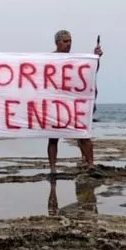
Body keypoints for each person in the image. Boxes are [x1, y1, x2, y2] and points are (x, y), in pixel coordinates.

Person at [47, 30, 103, 176]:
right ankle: (53, 168)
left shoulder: (75, 59)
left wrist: (96, 58)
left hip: (73, 103)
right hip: (56, 103)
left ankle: (90, 163)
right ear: (57, 42)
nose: (69, 44)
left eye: (70, 41)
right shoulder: (49, 59)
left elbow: (90, 71)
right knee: (53, 137)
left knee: (83, 134)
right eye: (65, 41)